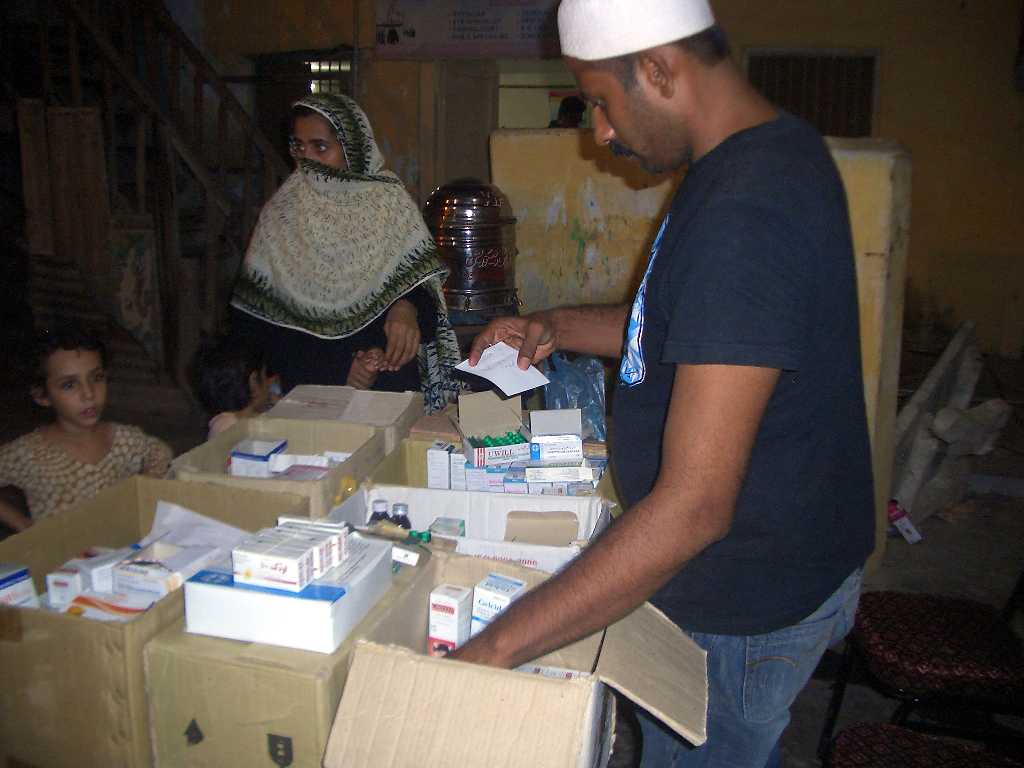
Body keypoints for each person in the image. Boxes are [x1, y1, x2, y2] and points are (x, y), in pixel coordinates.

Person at [452, 1, 875, 766]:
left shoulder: (746, 210)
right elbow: (692, 327)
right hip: (773, 562)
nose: (600, 133)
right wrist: (553, 324)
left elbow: (694, 507)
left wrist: (493, 650)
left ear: (657, 70)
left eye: (602, 103)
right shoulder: (766, 153)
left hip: (743, 600)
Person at [230, 93, 460, 413]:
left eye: (320, 147)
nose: (307, 159)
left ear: (353, 148)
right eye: (298, 146)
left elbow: (425, 295)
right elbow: (257, 323)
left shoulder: (389, 205)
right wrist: (338, 371)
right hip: (312, 392)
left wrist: (407, 307)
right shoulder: (281, 215)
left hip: (387, 386)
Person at [0, 325, 173, 532]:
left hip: (120, 546)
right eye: (69, 385)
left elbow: (160, 452)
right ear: (42, 396)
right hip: (60, 550)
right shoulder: (29, 453)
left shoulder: (123, 441)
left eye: (96, 378)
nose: (89, 394)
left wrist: (143, 490)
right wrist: (24, 525)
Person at [191, 335, 273, 439]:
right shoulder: (230, 428)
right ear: (253, 382)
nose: (269, 383)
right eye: (266, 376)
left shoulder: (223, 423)